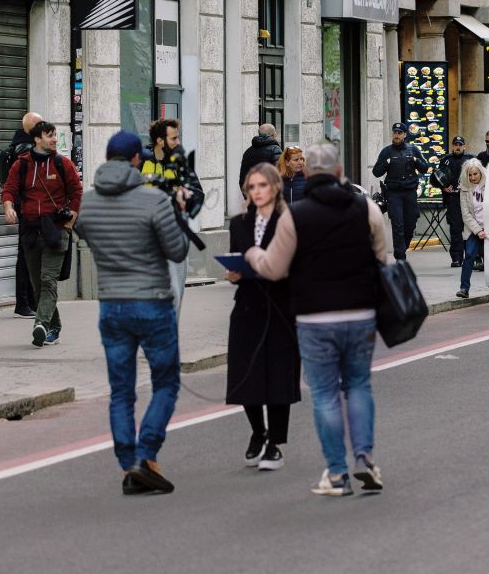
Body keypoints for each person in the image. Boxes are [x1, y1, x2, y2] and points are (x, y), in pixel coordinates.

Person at [246, 142, 392, 498]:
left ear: (308, 172)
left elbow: (275, 268)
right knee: (358, 386)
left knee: (325, 394)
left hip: (314, 317)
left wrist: (252, 256)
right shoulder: (366, 208)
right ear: (339, 172)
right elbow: (383, 257)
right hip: (360, 312)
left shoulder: (295, 215)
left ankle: (337, 473)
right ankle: (365, 457)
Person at [73, 130, 189, 496]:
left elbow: (85, 234)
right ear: (137, 160)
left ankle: (128, 464)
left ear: (108, 158)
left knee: (121, 391)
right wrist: (178, 213)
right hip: (153, 303)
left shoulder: (88, 203)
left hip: (111, 305)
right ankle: (146, 453)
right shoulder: (155, 200)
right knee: (166, 382)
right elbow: (177, 251)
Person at [224, 162, 300, 472]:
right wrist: (233, 273)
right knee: (245, 371)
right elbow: (235, 262)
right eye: (251, 187)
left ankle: (275, 444)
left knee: (279, 375)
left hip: (281, 306)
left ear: (275, 188)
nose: (256, 192)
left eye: (262, 186)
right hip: (247, 305)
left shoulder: (288, 221)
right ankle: (258, 431)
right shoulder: (239, 224)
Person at [1, 120, 82, 347]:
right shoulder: (22, 164)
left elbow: (76, 192)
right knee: (37, 285)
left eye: (55, 135)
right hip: (30, 229)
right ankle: (54, 327)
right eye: (49, 135)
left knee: (48, 280)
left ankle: (41, 325)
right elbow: (9, 189)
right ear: (37, 139)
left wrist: (70, 222)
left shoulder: (62, 164)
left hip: (55, 229)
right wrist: (8, 207)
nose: (54, 139)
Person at [142, 117, 206, 309]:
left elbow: (198, 194)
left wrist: (186, 199)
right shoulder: (140, 162)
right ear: (160, 141)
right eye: (174, 138)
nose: (178, 142)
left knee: (174, 293)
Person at [0, 111, 41, 318]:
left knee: (29, 253)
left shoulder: (20, 145)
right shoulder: (25, 151)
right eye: (40, 124)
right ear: (32, 129)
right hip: (27, 207)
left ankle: (29, 302)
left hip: (27, 207)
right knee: (26, 254)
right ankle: (24, 303)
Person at [372, 121, 430, 261]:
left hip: (410, 192)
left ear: (405, 135)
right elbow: (376, 172)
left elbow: (425, 168)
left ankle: (402, 249)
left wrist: (416, 161)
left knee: (410, 223)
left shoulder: (413, 149)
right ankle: (400, 258)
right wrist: (386, 163)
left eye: (399, 133)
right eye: (395, 133)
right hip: (394, 194)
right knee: (398, 224)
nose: (396, 135)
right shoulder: (387, 151)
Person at [457, 159, 489, 307]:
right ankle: (464, 288)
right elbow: (465, 214)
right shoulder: (464, 189)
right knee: (469, 255)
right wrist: (478, 231)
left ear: (481, 172)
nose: (472, 177)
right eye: (470, 175)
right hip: (474, 229)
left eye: (475, 174)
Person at [436, 136, 468, 268]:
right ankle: (456, 258)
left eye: (460, 145)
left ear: (464, 146)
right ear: (452, 146)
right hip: (453, 198)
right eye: (456, 145)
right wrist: (443, 187)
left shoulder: (470, 159)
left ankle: (472, 257)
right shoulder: (446, 160)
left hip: (467, 198)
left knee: (470, 228)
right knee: (455, 229)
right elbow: (436, 178)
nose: (458, 147)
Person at [238, 123, 283, 188]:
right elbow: (278, 173)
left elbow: (242, 177)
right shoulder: (275, 149)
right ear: (273, 135)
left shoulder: (248, 152)